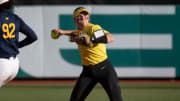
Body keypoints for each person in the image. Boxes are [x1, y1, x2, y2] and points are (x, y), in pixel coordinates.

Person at [52, 7, 123, 101]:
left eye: (85, 15)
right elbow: (75, 33)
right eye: (80, 15)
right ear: (75, 19)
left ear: (88, 18)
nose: (84, 16)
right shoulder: (78, 32)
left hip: (105, 69)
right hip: (88, 72)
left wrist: (91, 39)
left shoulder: (94, 28)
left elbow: (110, 38)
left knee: (116, 99)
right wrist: (62, 32)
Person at [0, 0, 38, 87]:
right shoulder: (14, 17)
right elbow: (33, 36)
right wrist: (17, 45)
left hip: (2, 63)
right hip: (14, 65)